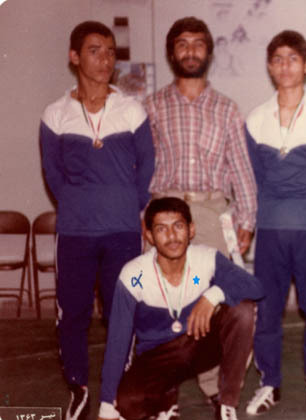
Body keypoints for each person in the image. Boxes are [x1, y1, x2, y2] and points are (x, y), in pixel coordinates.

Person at [39, 21, 155, 420]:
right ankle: (79, 387)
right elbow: (53, 174)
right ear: (74, 57)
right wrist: (78, 204)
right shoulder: (55, 114)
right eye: (94, 51)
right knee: (72, 312)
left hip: (123, 230)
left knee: (122, 311)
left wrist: (127, 204)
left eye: (110, 51)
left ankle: (117, 389)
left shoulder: (132, 110)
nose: (105, 59)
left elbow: (147, 169)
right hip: (75, 232)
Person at [143, 16, 257, 404]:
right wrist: (142, 217)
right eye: (182, 44)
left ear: (208, 52)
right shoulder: (152, 106)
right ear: (171, 52)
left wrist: (247, 220)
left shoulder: (227, 109)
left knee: (214, 301)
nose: (190, 51)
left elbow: (240, 168)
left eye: (198, 44)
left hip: (210, 212)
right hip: (165, 213)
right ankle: (166, 393)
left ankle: (213, 387)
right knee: (162, 301)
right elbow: (140, 167)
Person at [244, 30, 306, 417]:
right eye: (277, 59)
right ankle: (269, 383)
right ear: (269, 67)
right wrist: (268, 215)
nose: (285, 66)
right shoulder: (255, 119)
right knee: (267, 313)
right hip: (270, 232)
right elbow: (254, 180)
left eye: (292, 58)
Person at [97, 197, 263, 420]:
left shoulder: (205, 259)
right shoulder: (135, 276)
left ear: (191, 230)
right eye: (161, 229)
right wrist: (107, 404)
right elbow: (118, 340)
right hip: (158, 355)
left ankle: (227, 404)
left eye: (178, 226)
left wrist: (212, 296)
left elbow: (255, 286)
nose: (172, 236)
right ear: (149, 235)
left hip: (198, 342)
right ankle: (166, 399)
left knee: (243, 310)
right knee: (127, 404)